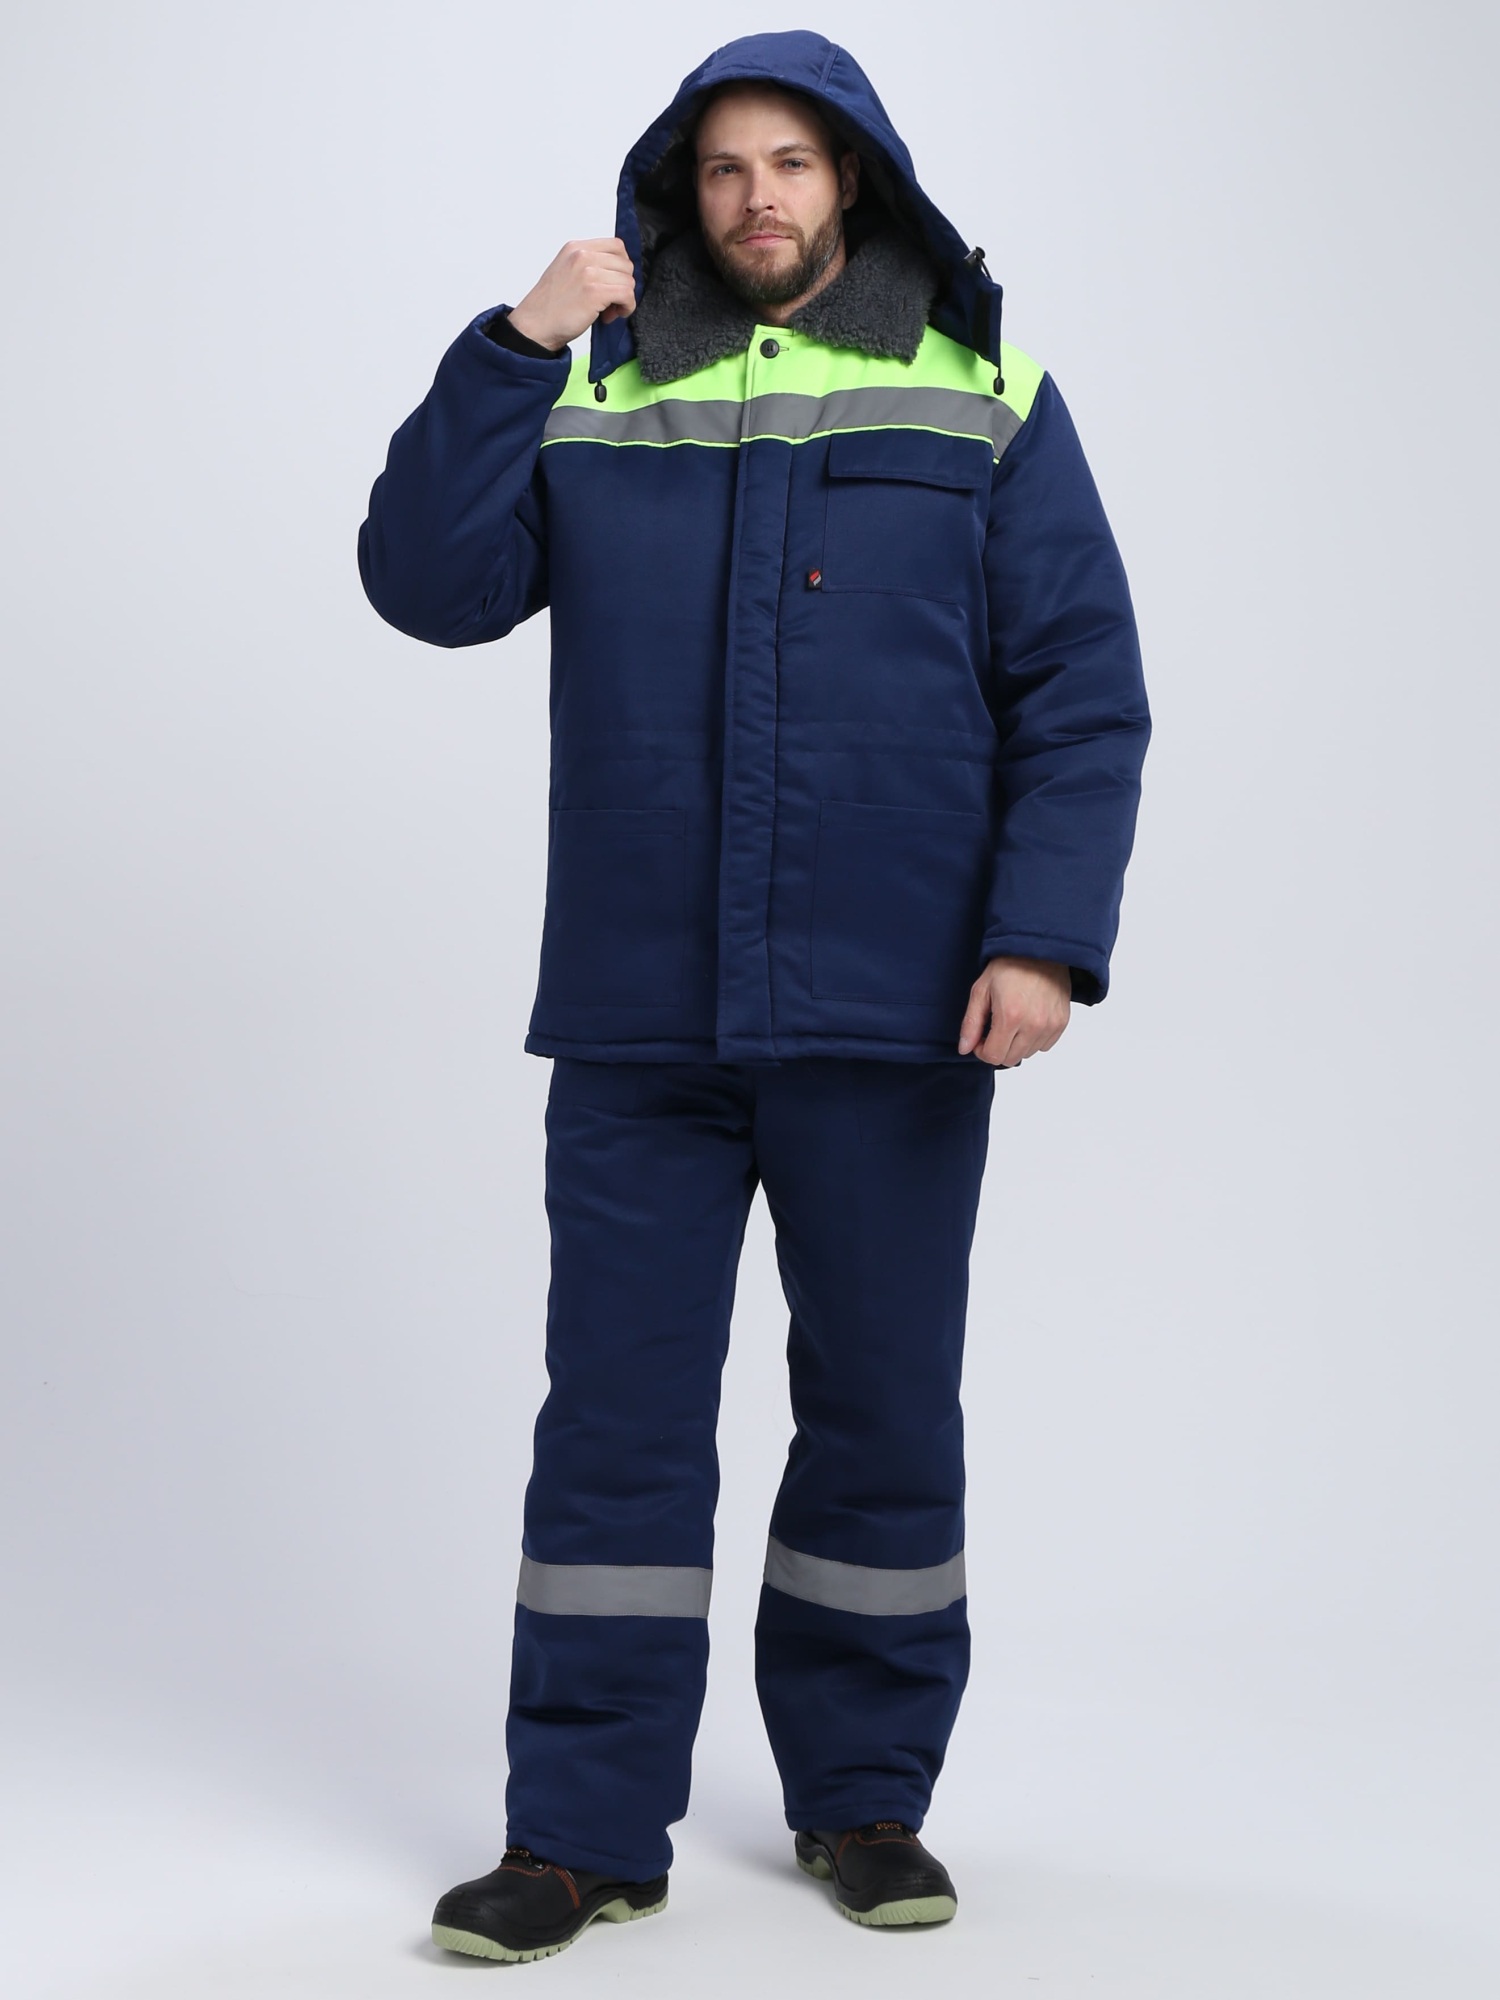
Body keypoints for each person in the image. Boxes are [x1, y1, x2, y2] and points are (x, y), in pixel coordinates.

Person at [358, 29, 1150, 1965]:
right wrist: (513, 345)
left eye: (790, 162)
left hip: (900, 1005)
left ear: (851, 176)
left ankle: (865, 1799)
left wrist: (1041, 937)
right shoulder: (599, 387)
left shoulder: (983, 391)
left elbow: (1082, 686)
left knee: (879, 1413)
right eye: (723, 169)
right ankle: (579, 1836)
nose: (758, 198)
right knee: (615, 1431)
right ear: (679, 192)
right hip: (642, 1006)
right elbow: (425, 585)